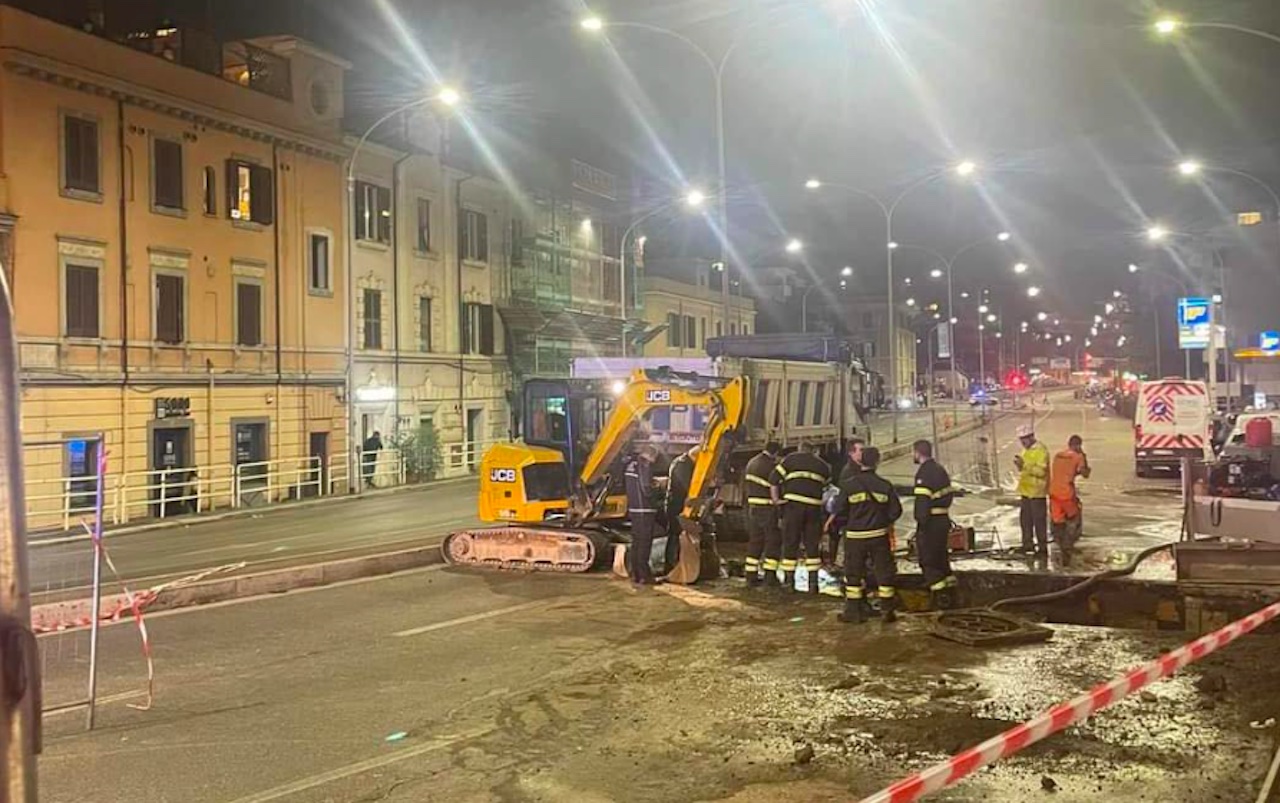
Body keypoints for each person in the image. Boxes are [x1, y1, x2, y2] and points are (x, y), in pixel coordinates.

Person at [832, 446, 902, 624]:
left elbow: (838, 510)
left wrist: (850, 522)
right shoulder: (885, 485)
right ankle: (887, 610)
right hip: (879, 536)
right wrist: (883, 521)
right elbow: (896, 511)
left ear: (860, 461)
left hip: (855, 537)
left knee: (854, 573)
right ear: (877, 462)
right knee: (883, 572)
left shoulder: (849, 485)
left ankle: (854, 612)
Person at [775, 440, 830, 594]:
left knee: (790, 543)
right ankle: (813, 585)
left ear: (800, 449)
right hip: (813, 509)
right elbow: (826, 485)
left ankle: (789, 583)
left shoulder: (790, 460)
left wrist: (776, 500)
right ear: (813, 451)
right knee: (812, 545)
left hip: (793, 508)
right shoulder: (823, 465)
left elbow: (774, 479)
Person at [913, 439, 959, 609]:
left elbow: (922, 502)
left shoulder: (923, 473)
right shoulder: (940, 470)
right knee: (941, 557)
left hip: (930, 523)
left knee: (928, 560)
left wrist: (921, 523)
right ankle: (951, 590)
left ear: (917, 452)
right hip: (943, 520)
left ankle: (940, 598)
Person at [743, 441, 782, 588]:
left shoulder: (752, 462)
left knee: (755, 541)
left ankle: (750, 576)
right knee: (773, 541)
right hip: (767, 507)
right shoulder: (771, 466)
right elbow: (776, 484)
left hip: (753, 507)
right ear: (775, 453)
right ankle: (770, 576)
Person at [1049, 435, 1091, 567]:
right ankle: (1067, 548)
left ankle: (1059, 544)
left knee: (1058, 521)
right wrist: (1084, 458)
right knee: (1074, 518)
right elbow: (1084, 473)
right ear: (1077, 445)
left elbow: (1062, 471)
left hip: (1053, 493)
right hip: (1066, 494)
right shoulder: (1078, 456)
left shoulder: (1058, 455)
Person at [625, 445, 660, 586]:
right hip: (645, 510)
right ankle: (645, 576)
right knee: (645, 543)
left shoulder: (630, 466)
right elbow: (646, 489)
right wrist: (658, 488)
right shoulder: (644, 466)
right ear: (650, 455)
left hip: (634, 509)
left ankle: (635, 574)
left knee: (636, 542)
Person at [1014, 423, 1050, 557]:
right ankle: (1027, 545)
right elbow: (1023, 469)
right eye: (1021, 440)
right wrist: (1019, 465)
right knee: (1025, 521)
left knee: (1039, 522)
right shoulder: (1025, 451)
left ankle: (1042, 549)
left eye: (1025, 439)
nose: (1023, 443)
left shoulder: (1041, 450)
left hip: (1037, 493)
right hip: (1025, 492)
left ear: (1031, 437)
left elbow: (1041, 472)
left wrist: (1025, 465)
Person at [664, 445, 700, 572]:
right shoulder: (682, 465)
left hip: (678, 503)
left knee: (677, 534)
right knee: (675, 534)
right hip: (675, 505)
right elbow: (686, 485)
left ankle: (676, 562)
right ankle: (671, 565)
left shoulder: (684, 463)